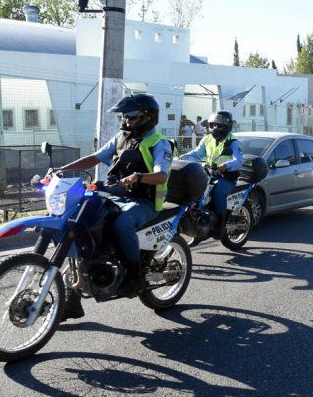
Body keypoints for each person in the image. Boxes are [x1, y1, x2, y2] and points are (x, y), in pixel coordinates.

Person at [52, 94, 174, 320]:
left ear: (148, 117)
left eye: (133, 117)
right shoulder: (121, 137)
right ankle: (73, 299)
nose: (127, 121)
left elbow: (161, 175)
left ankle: (136, 275)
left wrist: (137, 177)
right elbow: (95, 158)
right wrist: (62, 170)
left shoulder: (160, 143)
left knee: (123, 223)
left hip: (144, 201)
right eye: (125, 117)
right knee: (81, 223)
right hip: (116, 194)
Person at [181, 110, 243, 239]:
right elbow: (197, 154)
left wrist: (226, 165)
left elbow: (238, 161)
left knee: (218, 191)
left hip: (226, 177)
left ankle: (220, 223)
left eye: (219, 125)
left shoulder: (233, 142)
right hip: (210, 174)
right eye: (213, 125)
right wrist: (181, 158)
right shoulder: (207, 138)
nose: (215, 128)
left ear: (227, 126)